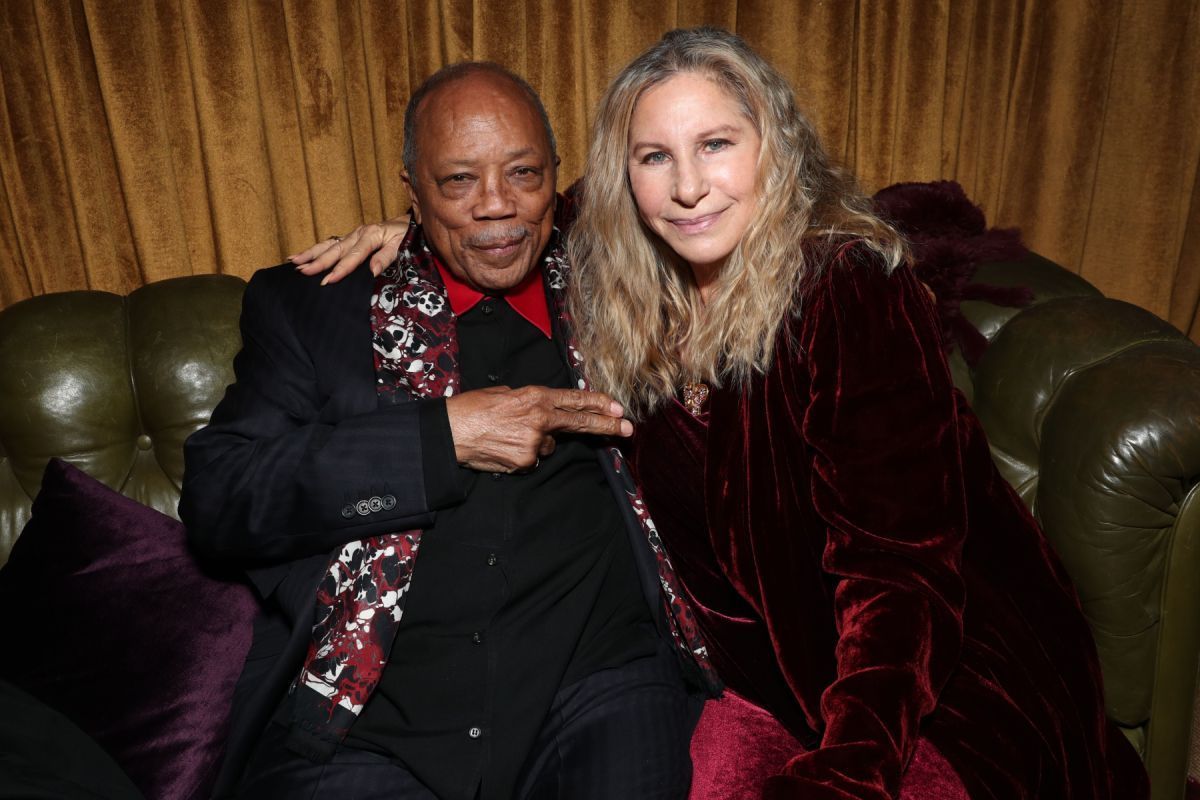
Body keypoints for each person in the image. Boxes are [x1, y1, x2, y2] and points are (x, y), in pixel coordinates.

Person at [301, 28, 1150, 800]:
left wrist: (851, 770)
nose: (689, 187)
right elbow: (503, 209)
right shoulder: (622, 280)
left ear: (772, 147)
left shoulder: (844, 288)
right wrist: (413, 236)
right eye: (654, 157)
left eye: (715, 145)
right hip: (764, 682)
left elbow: (903, 576)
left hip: (929, 687)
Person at [180, 61, 718, 800]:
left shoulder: (620, 284)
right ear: (412, 192)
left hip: (596, 687)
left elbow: (732, 213)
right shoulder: (317, 309)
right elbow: (220, 499)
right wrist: (439, 439)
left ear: (557, 180)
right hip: (372, 724)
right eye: (458, 181)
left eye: (524, 174)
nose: (497, 207)